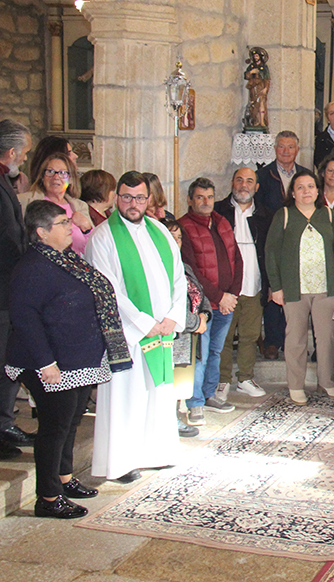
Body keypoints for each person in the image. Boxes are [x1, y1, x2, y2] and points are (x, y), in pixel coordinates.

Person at [6, 200, 119, 517]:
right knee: (53, 429)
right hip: (51, 364)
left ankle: (65, 478)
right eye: (62, 222)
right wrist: (45, 363)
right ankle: (48, 498)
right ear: (42, 232)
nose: (70, 226)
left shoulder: (67, 259)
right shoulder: (33, 268)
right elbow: (25, 318)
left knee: (70, 423)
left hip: (78, 359)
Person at [84, 171, 187, 483]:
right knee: (125, 397)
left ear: (148, 199)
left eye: (140, 197)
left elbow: (178, 277)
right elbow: (108, 289)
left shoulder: (160, 230)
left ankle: (155, 453)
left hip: (161, 331)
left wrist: (172, 317)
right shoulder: (103, 238)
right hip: (128, 336)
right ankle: (121, 462)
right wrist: (145, 324)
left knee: (156, 394)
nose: (133, 203)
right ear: (117, 198)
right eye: (126, 197)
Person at [265, 171, 334, 406]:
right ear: (293, 193)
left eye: (311, 186)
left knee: (327, 337)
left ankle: (326, 382)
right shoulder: (285, 215)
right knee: (296, 339)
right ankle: (296, 384)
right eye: (300, 187)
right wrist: (276, 286)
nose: (306, 191)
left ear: (318, 190)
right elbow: (271, 253)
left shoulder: (327, 215)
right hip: (294, 288)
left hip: (325, 287)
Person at [178, 177, 242, 425]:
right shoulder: (184, 227)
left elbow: (237, 258)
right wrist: (218, 297)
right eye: (200, 197)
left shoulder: (222, 221)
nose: (205, 202)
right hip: (202, 305)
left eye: (209, 197)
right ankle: (194, 403)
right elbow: (192, 271)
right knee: (201, 355)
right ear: (189, 200)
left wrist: (232, 295)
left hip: (226, 303)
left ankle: (209, 395)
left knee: (216, 351)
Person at [0, 119, 34, 460]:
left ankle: (2, 423)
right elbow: (1, 237)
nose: (24, 159)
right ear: (11, 152)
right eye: (24, 153)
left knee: (6, 361)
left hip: (5, 287)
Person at [214, 168, 271, 401]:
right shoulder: (218, 212)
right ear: (231, 183)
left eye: (249, 181)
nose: (244, 185)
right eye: (239, 180)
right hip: (226, 288)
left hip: (254, 284)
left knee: (250, 335)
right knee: (224, 337)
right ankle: (222, 380)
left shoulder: (266, 214)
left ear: (256, 187)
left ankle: (245, 378)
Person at [256, 131, 313, 360]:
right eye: (281, 147)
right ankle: (272, 340)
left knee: (298, 293)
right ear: (275, 149)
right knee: (274, 291)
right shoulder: (263, 175)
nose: (286, 151)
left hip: (301, 241)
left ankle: (295, 340)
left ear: (297, 150)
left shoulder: (306, 175)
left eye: (291, 147)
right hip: (273, 239)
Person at [161, 218, 210, 438]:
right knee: (168, 381)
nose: (176, 240)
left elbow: (199, 293)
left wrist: (205, 314)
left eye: (179, 236)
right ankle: (167, 422)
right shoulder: (158, 268)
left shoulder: (184, 265)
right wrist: (195, 322)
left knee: (179, 381)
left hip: (189, 335)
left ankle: (174, 419)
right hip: (175, 333)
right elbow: (165, 306)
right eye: (170, 235)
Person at [19, 152, 94, 255]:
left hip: (75, 267)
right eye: (50, 171)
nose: (56, 177)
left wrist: (87, 229)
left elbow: (93, 247)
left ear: (71, 179)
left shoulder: (80, 206)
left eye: (62, 173)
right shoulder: (24, 201)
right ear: (42, 177)